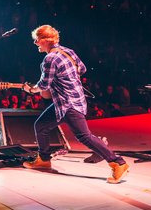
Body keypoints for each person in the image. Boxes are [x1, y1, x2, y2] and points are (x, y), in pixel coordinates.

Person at [21, 25, 129, 184]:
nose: (36, 43)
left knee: (84, 136)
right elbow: (82, 69)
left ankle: (118, 163)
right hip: (71, 99)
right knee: (41, 126)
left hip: (68, 103)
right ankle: (44, 159)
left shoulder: (49, 58)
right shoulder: (68, 51)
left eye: (37, 39)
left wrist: (31, 89)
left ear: (45, 40)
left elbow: (44, 85)